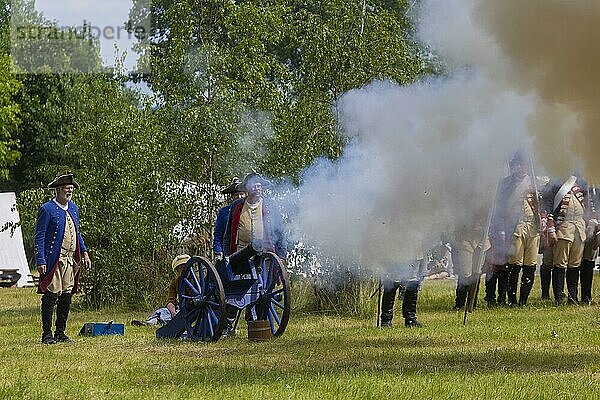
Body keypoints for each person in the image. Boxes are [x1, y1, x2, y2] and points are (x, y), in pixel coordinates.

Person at [34, 173, 91, 344]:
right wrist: (41, 260)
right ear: (58, 189)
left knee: (66, 296)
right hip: (54, 260)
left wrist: (85, 252)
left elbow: (77, 232)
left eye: (71, 188)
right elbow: (40, 236)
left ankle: (60, 332)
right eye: (67, 188)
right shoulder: (47, 209)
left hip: (69, 261)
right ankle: (47, 334)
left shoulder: (74, 208)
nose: (70, 191)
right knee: (51, 296)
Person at [489, 152, 543, 307]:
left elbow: (542, 205)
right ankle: (512, 299)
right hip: (514, 227)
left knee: (530, 265)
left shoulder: (534, 183)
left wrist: (543, 218)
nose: (519, 168)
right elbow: (498, 210)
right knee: (515, 264)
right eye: (516, 165)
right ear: (512, 167)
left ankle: (523, 300)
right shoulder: (505, 184)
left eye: (522, 164)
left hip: (532, 227)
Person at [544, 174, 595, 305]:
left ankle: (573, 297)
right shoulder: (555, 182)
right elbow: (548, 203)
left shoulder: (581, 182)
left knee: (575, 265)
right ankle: (559, 298)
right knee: (560, 264)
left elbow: (589, 203)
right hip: (564, 227)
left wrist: (591, 221)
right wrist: (551, 227)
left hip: (579, 228)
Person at [131, 254, 191, 326]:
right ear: (177, 270)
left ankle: (161, 321)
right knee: (163, 311)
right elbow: (170, 301)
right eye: (181, 267)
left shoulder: (197, 280)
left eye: (185, 266)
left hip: (192, 308)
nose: (183, 269)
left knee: (178, 316)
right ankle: (150, 322)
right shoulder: (175, 282)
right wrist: (173, 312)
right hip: (181, 307)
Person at [379, 256, 425, 328]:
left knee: (412, 282)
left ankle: (410, 319)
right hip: (396, 253)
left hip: (415, 253)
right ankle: (386, 320)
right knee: (392, 281)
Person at [213, 177, 244, 261]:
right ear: (232, 197)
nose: (239, 197)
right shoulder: (224, 212)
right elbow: (218, 234)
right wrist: (218, 251)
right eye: (236, 195)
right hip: (229, 250)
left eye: (241, 194)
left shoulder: (249, 209)